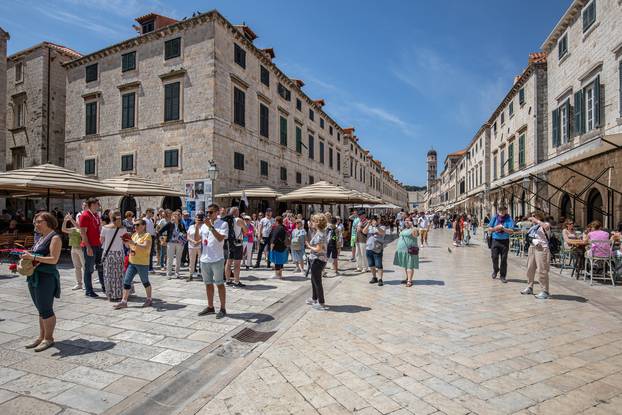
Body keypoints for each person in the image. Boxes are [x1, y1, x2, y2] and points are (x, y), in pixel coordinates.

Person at [22, 212, 62, 352]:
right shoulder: (41, 237)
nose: (36, 224)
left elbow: (54, 259)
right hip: (35, 276)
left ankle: (49, 338)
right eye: (36, 222)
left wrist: (32, 256)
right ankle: (41, 336)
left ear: (48, 222)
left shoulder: (55, 237)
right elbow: (38, 255)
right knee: (40, 309)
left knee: (46, 309)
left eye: (39, 221)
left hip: (46, 277)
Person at [114, 219, 153, 309]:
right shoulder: (134, 235)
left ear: (143, 226)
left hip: (142, 263)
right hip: (132, 262)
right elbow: (130, 246)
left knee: (145, 281)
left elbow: (146, 247)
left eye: (137, 225)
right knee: (126, 281)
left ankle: (149, 299)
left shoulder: (147, 235)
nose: (135, 226)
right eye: (134, 225)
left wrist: (133, 243)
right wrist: (126, 243)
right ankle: (124, 301)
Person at [198, 204, 228, 319]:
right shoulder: (204, 225)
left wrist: (210, 227)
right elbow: (198, 239)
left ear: (217, 213)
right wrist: (197, 227)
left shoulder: (223, 223)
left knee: (219, 283)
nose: (208, 214)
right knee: (208, 284)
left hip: (217, 258)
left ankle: (223, 308)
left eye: (211, 212)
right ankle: (210, 307)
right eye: (207, 212)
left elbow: (221, 238)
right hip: (205, 258)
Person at [521, 212, 551, 299]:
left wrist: (536, 221)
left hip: (542, 249)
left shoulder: (545, 224)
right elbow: (530, 236)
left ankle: (545, 291)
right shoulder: (533, 227)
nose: (532, 218)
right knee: (530, 268)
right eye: (532, 216)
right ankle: (530, 287)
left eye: (534, 216)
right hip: (532, 248)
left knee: (542, 270)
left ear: (539, 216)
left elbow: (546, 227)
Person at [79, 197, 105, 298]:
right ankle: (89, 291)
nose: (98, 206)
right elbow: (83, 233)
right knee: (89, 269)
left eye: (98, 204)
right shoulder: (85, 216)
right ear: (90, 205)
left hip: (98, 245)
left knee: (101, 266)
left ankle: (104, 286)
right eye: (96, 204)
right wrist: (88, 247)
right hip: (90, 246)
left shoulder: (96, 215)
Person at [100, 212, 128, 301]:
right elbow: (125, 242)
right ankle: (119, 294)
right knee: (119, 274)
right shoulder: (123, 229)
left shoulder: (104, 228)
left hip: (108, 254)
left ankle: (111, 294)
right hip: (119, 253)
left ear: (110, 218)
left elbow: (101, 241)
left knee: (109, 275)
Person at [306, 214, 328, 310]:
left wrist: (309, 246)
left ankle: (321, 302)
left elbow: (318, 249)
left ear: (317, 223)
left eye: (313, 221)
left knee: (317, 281)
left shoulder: (320, 234)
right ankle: (314, 298)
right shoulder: (320, 232)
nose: (312, 223)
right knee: (313, 280)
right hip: (317, 259)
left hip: (318, 260)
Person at [487, 206, 515, 283]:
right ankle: (495, 270)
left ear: (506, 211)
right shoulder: (495, 218)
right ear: (498, 211)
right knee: (494, 257)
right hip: (495, 240)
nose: (501, 212)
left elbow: (511, 231)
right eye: (500, 210)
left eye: (503, 210)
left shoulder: (509, 219)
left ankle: (503, 276)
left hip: (505, 241)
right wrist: (495, 228)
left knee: (503, 259)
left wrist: (503, 229)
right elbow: (489, 228)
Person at [159, 211, 186, 279]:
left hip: (179, 243)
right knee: (170, 258)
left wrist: (183, 235)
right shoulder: (170, 224)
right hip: (171, 243)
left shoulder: (181, 224)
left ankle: (177, 273)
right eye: (175, 215)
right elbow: (160, 231)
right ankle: (169, 273)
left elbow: (184, 232)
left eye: (178, 215)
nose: (177, 216)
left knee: (178, 258)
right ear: (172, 216)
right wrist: (161, 238)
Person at [224, 207, 247, 287]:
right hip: (237, 244)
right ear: (237, 212)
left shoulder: (227, 220)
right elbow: (246, 231)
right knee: (237, 264)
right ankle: (236, 281)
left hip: (229, 243)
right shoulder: (239, 220)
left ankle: (227, 280)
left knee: (228, 262)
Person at [394, 217, 419, 287]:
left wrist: (412, 226)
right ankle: (407, 278)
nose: (406, 222)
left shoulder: (414, 229)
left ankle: (409, 281)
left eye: (408, 220)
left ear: (412, 221)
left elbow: (416, 235)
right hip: (403, 251)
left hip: (410, 250)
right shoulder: (404, 229)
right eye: (405, 220)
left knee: (409, 265)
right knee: (406, 265)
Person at [61, 213, 84, 291]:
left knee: (85, 267)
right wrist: (65, 220)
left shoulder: (83, 228)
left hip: (81, 249)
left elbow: (79, 228)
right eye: (77, 218)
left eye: (79, 218)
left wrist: (71, 219)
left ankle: (86, 283)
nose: (78, 219)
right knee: (77, 267)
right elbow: (63, 229)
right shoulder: (73, 229)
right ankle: (79, 283)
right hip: (73, 249)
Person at [364, 215, 386, 286]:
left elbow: (382, 232)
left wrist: (376, 226)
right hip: (369, 248)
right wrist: (368, 223)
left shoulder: (382, 226)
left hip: (377, 248)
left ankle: (380, 279)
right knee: (371, 264)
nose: (375, 220)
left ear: (379, 220)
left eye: (377, 219)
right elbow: (364, 231)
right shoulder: (369, 227)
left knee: (379, 264)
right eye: (373, 219)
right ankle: (374, 277)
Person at [186, 213, 203, 281]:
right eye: (197, 219)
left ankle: (202, 274)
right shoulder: (191, 226)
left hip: (200, 246)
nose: (198, 220)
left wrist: (198, 242)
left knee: (202, 261)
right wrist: (193, 241)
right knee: (192, 261)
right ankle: (191, 274)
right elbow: (187, 236)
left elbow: (205, 237)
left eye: (199, 219)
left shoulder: (203, 227)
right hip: (191, 246)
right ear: (195, 219)